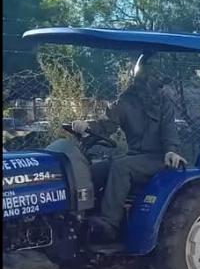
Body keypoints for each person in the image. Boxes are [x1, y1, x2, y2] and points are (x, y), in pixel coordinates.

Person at [71, 57, 186, 242]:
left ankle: (109, 224)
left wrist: (171, 150)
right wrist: (87, 126)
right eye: (149, 77)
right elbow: (106, 123)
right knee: (90, 171)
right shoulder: (126, 101)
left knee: (120, 166)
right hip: (136, 157)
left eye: (157, 79)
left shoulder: (164, 104)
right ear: (140, 78)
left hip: (160, 158)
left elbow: (169, 131)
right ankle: (78, 217)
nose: (154, 84)